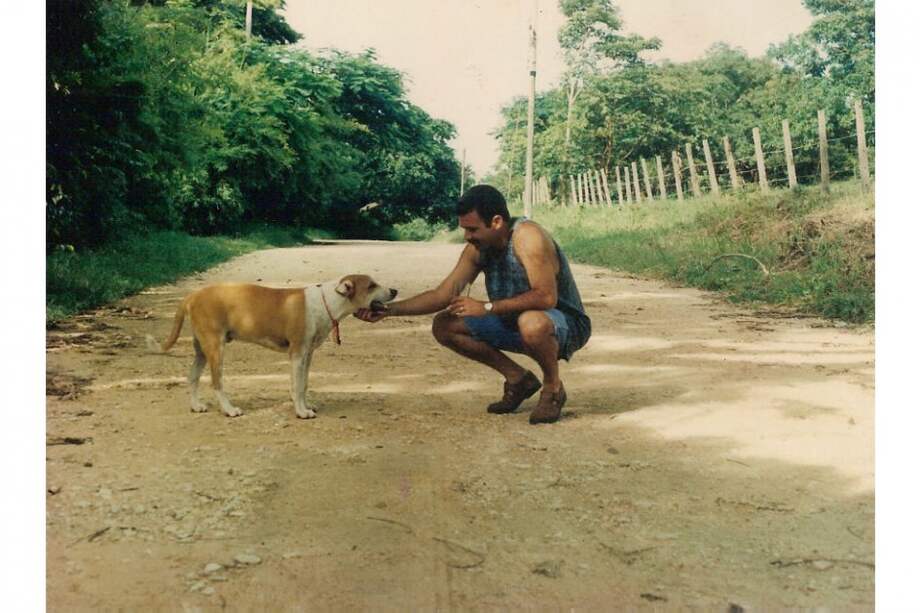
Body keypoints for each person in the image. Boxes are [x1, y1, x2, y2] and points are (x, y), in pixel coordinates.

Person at [355, 184, 591, 424]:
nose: (467, 236)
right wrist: (389, 310)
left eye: (472, 229)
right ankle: (519, 380)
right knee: (446, 324)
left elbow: (545, 297)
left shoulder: (528, 237)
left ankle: (553, 389)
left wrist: (487, 307)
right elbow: (441, 295)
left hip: (563, 325)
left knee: (531, 321)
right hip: (515, 322)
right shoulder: (478, 248)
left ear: (497, 222)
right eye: (464, 229)